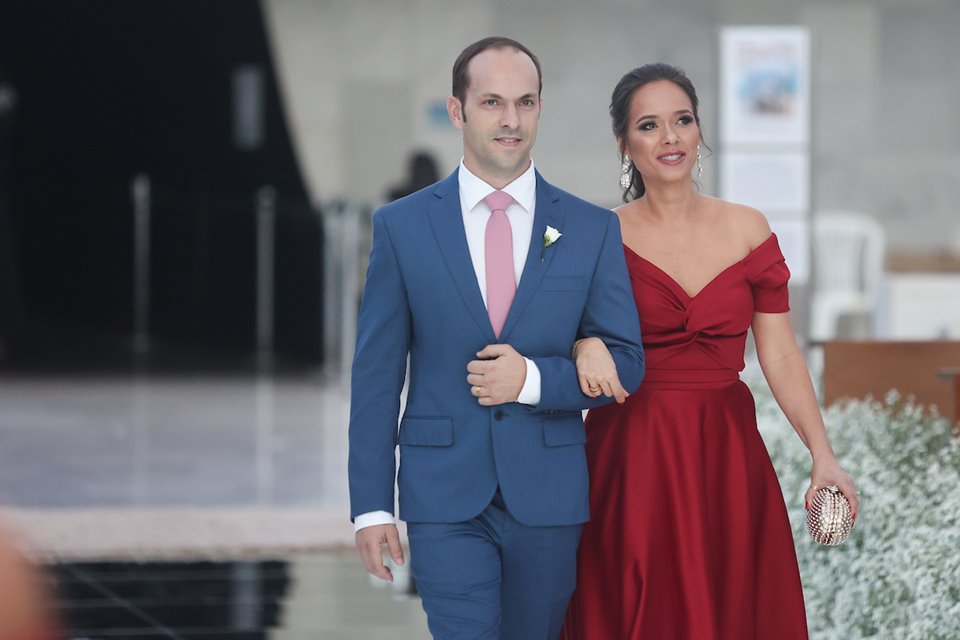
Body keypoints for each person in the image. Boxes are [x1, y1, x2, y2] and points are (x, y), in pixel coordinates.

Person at [348, 37, 646, 639]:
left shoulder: (590, 229)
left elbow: (628, 363)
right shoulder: (402, 227)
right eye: (491, 102)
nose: (511, 120)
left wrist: (533, 380)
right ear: (458, 111)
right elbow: (377, 377)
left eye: (525, 102)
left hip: (549, 498)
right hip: (443, 498)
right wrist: (372, 507)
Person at [561, 63, 859, 639]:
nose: (670, 137)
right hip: (630, 454)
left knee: (728, 609)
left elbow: (780, 356)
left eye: (682, 120)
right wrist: (583, 344)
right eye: (649, 125)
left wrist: (823, 454)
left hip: (725, 453)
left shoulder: (748, 228)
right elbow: (557, 332)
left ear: (700, 132)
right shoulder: (597, 235)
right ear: (624, 144)